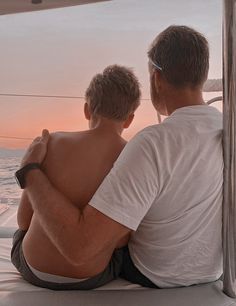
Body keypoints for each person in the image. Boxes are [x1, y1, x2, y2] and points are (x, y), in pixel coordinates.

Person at [12, 25, 223, 290]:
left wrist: (30, 170)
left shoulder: (152, 143)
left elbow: (78, 248)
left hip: (151, 273)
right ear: (202, 76)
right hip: (213, 271)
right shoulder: (227, 130)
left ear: (156, 78)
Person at [11, 65, 141, 290]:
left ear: (87, 110)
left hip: (33, 267)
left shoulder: (50, 143)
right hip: (91, 277)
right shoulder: (133, 157)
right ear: (129, 119)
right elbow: (121, 239)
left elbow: (23, 221)